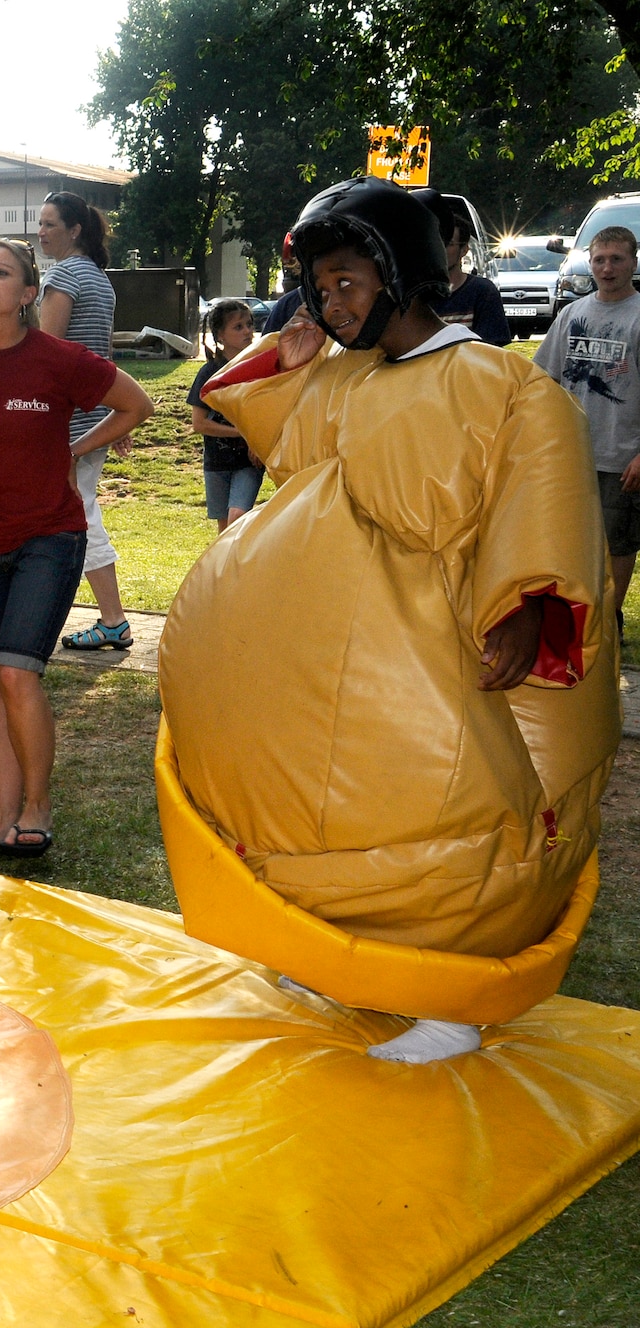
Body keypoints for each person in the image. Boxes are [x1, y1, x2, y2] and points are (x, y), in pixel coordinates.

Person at [163, 176, 616, 1064]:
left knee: (449, 810)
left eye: (346, 284)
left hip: (442, 647)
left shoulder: (499, 384)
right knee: (337, 805)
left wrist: (528, 609)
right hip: (347, 654)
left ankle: (450, 998)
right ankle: (340, 952)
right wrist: (289, 347)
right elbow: (246, 416)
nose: (331, 306)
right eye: (319, 290)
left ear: (402, 272)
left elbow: (547, 490)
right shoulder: (342, 377)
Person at [0, 240, 153, 862]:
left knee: (19, 671)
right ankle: (2, 819)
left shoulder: (59, 359)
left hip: (48, 537)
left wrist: (74, 451)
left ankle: (37, 808)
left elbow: (136, 404)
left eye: (2, 273)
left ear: (29, 295)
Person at [534, 224, 640, 644]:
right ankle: (572, 619)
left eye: (617, 259)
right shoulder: (573, 314)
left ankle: (607, 624)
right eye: (599, 259)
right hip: (569, 453)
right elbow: (543, 381)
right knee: (568, 539)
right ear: (589, 263)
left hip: (620, 455)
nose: (607, 268)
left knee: (616, 543)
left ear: (633, 262)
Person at [39, 192, 134, 653]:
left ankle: (113, 620)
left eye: (50, 224)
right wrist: (120, 418)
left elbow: (47, 353)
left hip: (68, 420)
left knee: (79, 513)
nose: (41, 232)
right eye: (38, 224)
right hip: (96, 413)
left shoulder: (62, 276)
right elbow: (104, 353)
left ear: (74, 230)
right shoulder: (99, 279)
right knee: (67, 511)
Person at [188, 299, 263, 533]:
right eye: (238, 327)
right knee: (224, 529)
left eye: (249, 324)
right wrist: (240, 432)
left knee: (237, 516)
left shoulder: (259, 367)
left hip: (249, 462)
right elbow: (199, 423)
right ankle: (225, 570)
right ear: (220, 335)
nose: (248, 331)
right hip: (217, 462)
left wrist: (258, 439)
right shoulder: (210, 372)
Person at [416, 189, 511, 346]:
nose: (441, 249)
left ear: (464, 249)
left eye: (449, 243)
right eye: (436, 242)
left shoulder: (481, 292)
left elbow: (492, 352)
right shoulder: (413, 296)